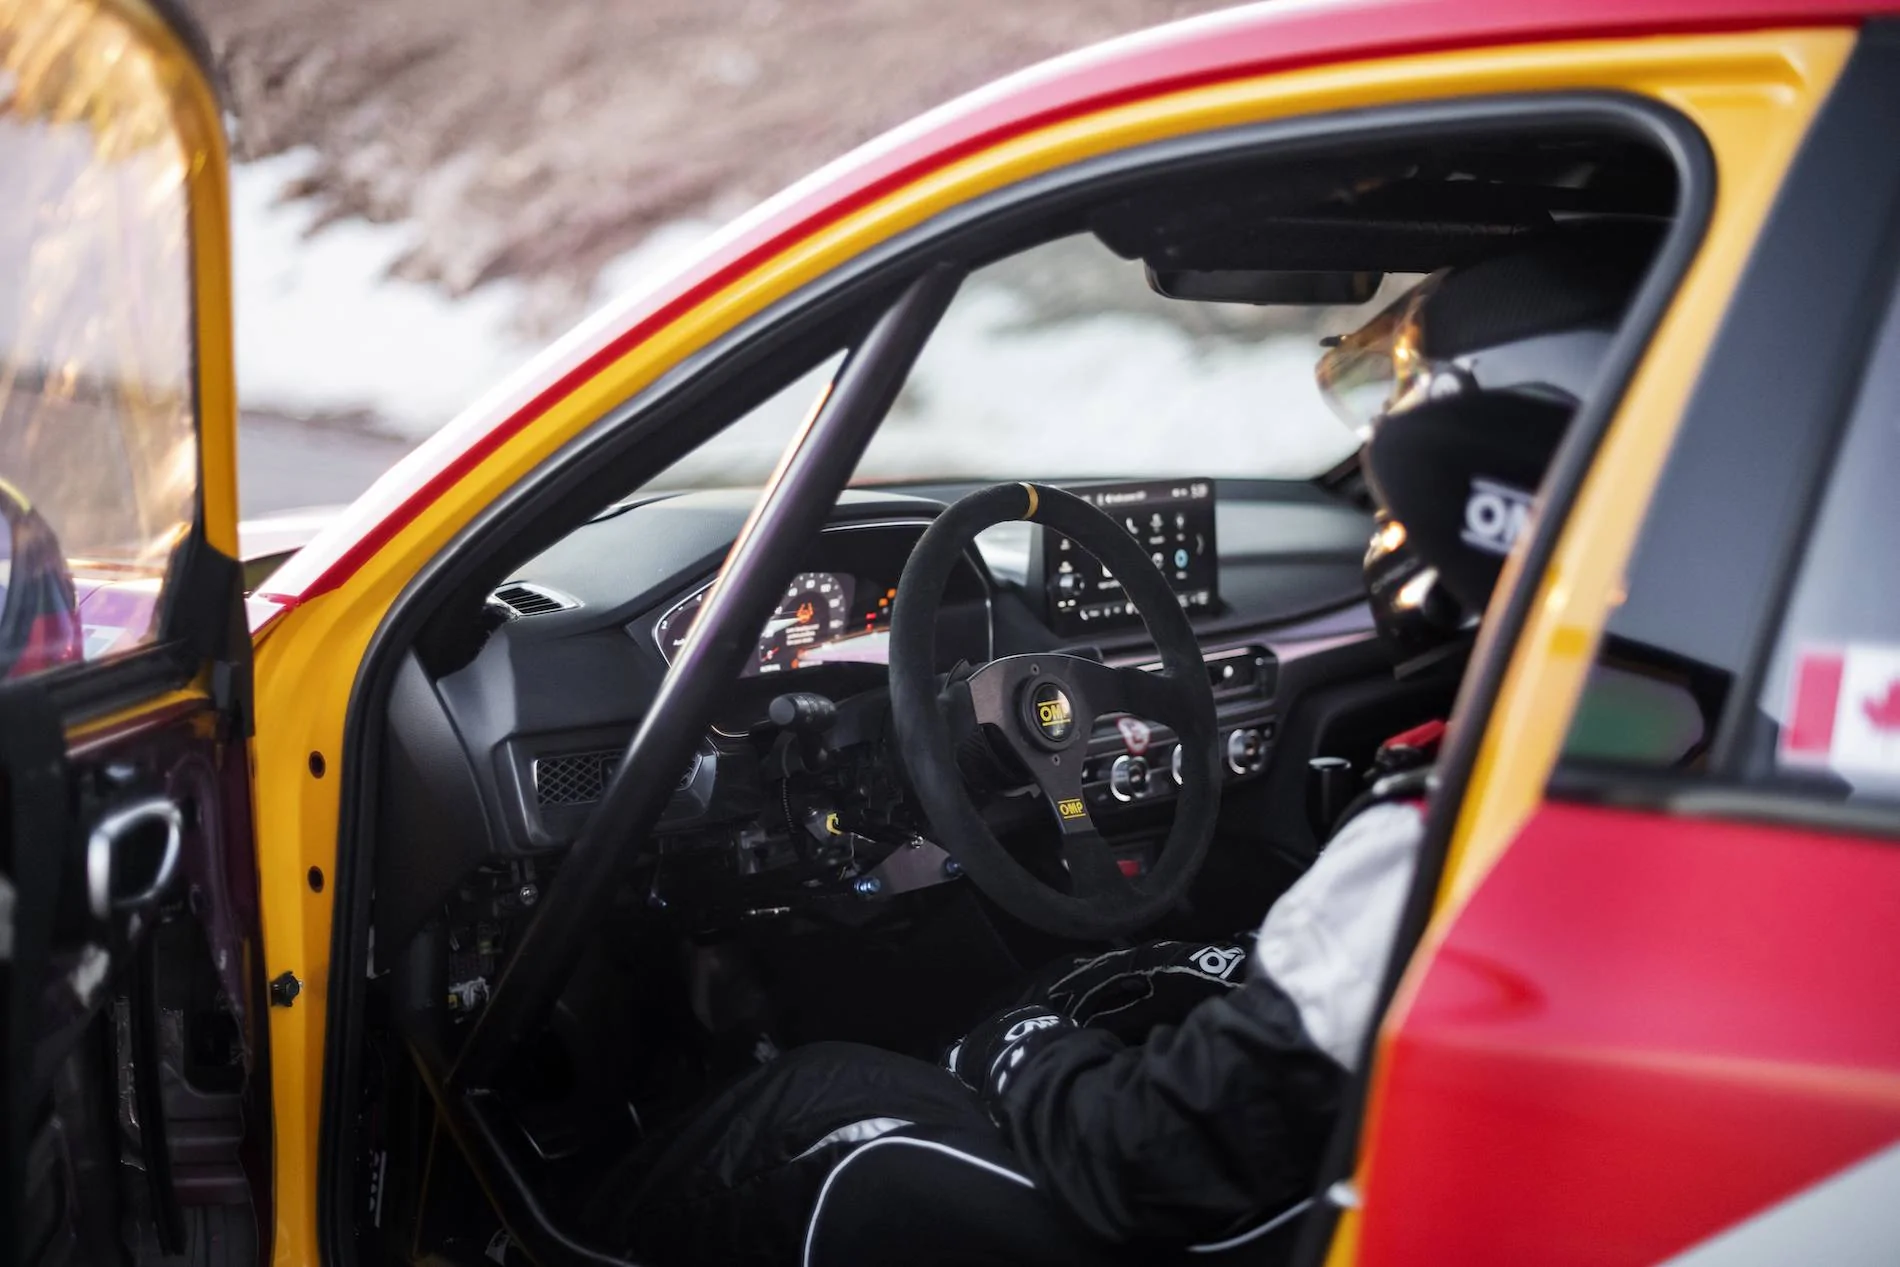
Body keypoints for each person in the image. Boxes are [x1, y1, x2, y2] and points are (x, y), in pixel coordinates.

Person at [582, 226, 1656, 1265]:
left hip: (1245, 1214)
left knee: (806, 1105)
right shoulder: (1653, 736)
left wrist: (1010, 1046)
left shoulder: (1452, 829)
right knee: (1121, 974)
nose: (1384, 498)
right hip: (1436, 1159)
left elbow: (1146, 1161)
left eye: (1411, 432)